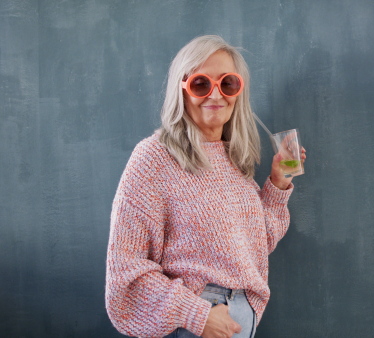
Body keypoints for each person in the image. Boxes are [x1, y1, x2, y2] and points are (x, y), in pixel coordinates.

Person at [105, 35, 306, 338]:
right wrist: (197, 314)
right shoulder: (154, 158)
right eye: (201, 84)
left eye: (227, 84)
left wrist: (278, 182)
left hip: (242, 318)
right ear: (182, 90)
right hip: (192, 322)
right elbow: (125, 268)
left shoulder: (233, 160)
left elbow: (253, 247)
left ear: (238, 92)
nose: (216, 94)